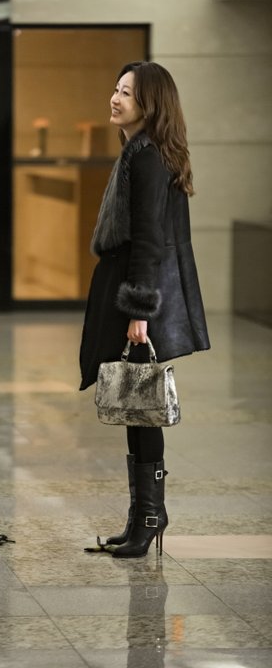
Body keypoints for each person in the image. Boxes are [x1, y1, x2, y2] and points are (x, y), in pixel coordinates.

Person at [80, 61, 210, 559]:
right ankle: (141, 517)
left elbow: (149, 241)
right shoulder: (139, 151)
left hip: (135, 296)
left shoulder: (147, 157)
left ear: (149, 103)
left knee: (143, 407)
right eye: (115, 89)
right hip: (129, 290)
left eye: (127, 93)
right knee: (136, 407)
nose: (115, 98)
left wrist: (139, 313)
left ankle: (150, 517)